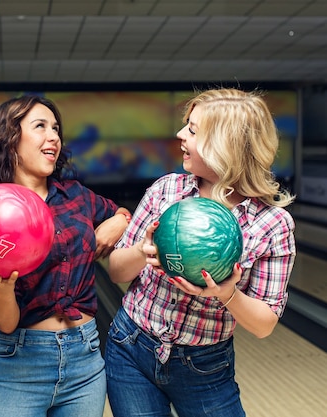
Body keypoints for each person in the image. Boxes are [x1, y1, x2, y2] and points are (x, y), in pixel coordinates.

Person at [105, 87, 296, 417]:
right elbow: (117, 272)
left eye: (192, 130)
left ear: (225, 145)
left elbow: (264, 324)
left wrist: (227, 294)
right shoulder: (167, 190)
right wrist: (142, 250)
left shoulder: (272, 223)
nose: (180, 134)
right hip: (130, 347)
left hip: (205, 367)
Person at [0, 95, 131, 417]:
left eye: (55, 128)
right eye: (40, 126)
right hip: (19, 365)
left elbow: (122, 213)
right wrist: (2, 294)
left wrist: (118, 223)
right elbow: (5, 323)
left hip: (85, 359)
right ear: (9, 139)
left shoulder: (76, 196)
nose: (53, 136)